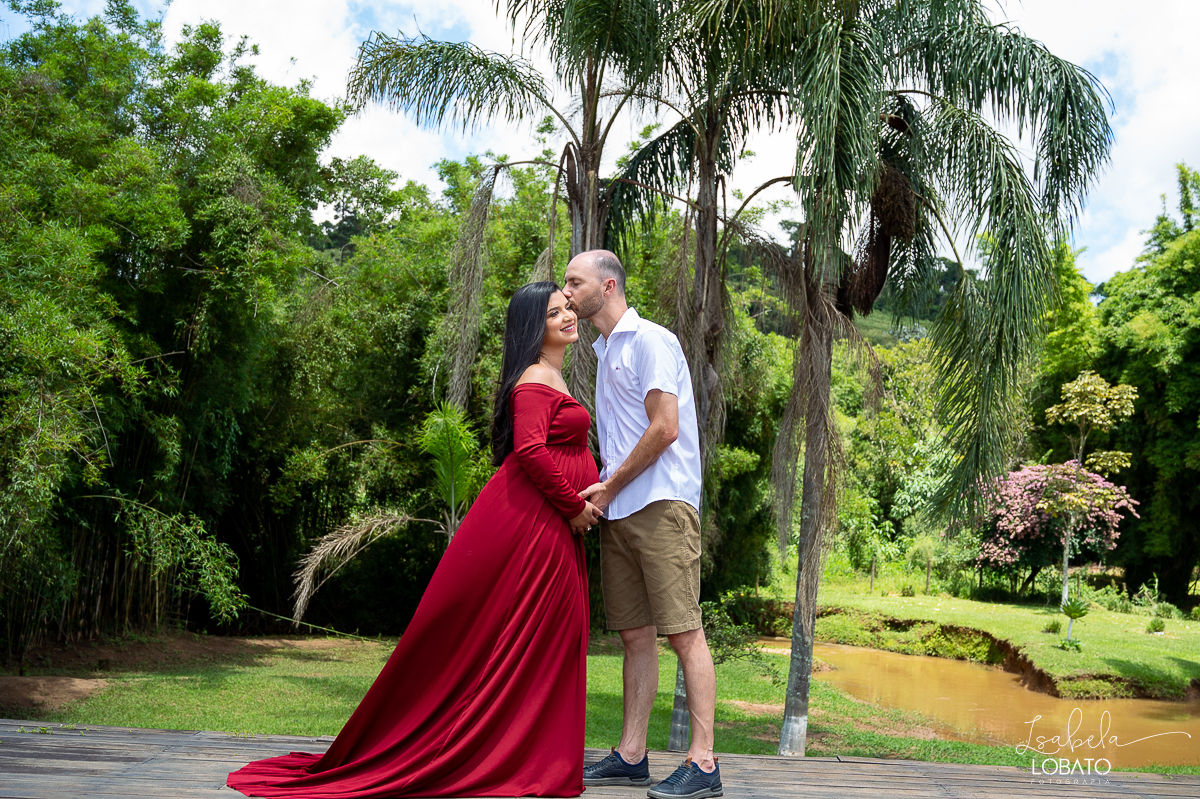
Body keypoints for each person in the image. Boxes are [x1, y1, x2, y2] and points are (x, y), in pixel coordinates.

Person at [227, 282, 602, 798]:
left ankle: (530, 756)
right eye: (554, 312)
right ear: (531, 327)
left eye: (567, 309)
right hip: (540, 527)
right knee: (543, 635)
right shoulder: (536, 378)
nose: (567, 317)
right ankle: (519, 761)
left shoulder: (552, 374)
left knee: (551, 638)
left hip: (551, 525)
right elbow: (531, 452)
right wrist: (575, 505)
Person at [563, 251, 722, 799]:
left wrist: (608, 485)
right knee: (635, 635)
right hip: (622, 510)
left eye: (574, 282)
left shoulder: (650, 340)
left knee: (684, 632)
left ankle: (703, 765)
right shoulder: (606, 350)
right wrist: (603, 493)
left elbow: (665, 429)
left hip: (661, 504)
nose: (566, 291)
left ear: (607, 287)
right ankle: (632, 756)